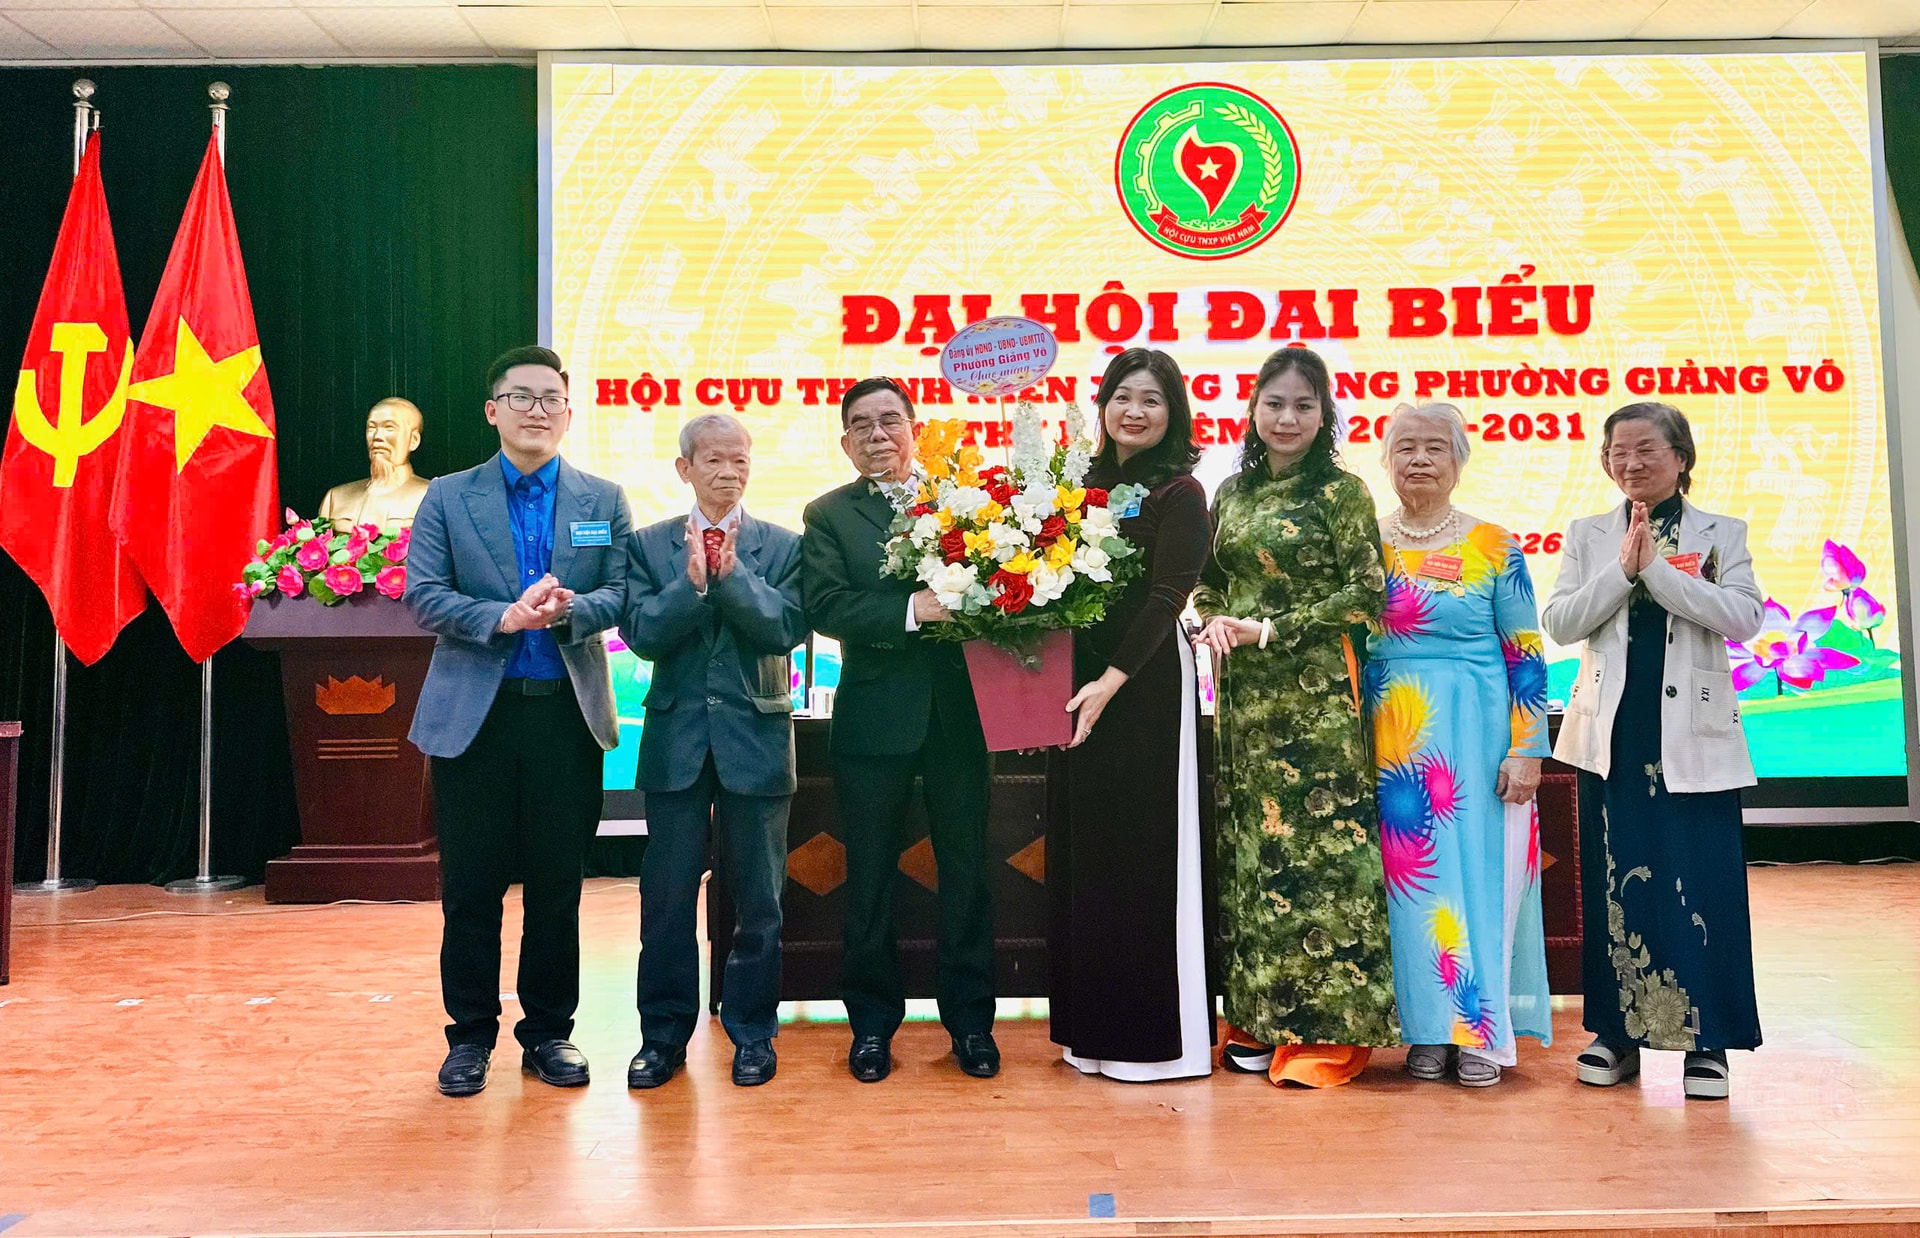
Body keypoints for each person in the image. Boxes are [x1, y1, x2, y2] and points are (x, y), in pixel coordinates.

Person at [406, 345, 631, 1098]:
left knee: (557, 888)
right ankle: (470, 1037)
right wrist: (503, 616)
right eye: (522, 397)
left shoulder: (603, 499)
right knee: (471, 889)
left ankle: (549, 1034)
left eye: (551, 399)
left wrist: (570, 610)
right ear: (492, 410)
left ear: (568, 412)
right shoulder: (448, 496)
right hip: (477, 721)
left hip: (566, 718)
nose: (538, 410)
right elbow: (424, 593)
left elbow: (622, 592)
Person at [1543, 401, 1764, 1100]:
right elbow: (1560, 622)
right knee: (1616, 884)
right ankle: (1616, 1036)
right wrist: (1621, 571)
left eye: (1646, 450)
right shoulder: (1587, 534)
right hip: (1613, 733)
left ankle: (1708, 1042)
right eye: (1618, 451)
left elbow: (1745, 617)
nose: (1630, 463)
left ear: (1681, 457)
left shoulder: (1721, 532)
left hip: (1691, 739)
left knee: (1700, 883)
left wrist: (1658, 573)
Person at [1194, 345, 1397, 1088]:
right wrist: (1211, 620)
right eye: (1274, 404)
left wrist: (1271, 629)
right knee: (1253, 856)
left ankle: (1323, 1033)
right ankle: (1257, 1018)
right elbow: (1207, 581)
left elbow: (1367, 594)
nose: (1287, 418)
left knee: (1319, 858)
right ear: (1253, 410)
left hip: (1317, 699)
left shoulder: (1341, 493)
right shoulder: (1230, 493)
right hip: (1245, 697)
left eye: (1303, 406)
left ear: (1324, 415)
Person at [801, 377, 999, 1083]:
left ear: (915, 428)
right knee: (869, 879)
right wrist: (913, 610)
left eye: (890, 420)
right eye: (861, 425)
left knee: (967, 873)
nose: (877, 434)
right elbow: (826, 604)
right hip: (874, 717)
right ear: (845, 441)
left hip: (961, 718)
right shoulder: (828, 514)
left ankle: (971, 1024)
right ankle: (871, 1027)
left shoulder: (969, 502)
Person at [1366, 402, 1553, 1088]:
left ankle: (1479, 1031)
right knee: (1411, 888)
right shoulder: (1366, 543)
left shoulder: (1494, 544)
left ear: (1459, 460)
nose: (1419, 459)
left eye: (1435, 447)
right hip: (1393, 736)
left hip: (1477, 735)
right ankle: (1425, 1029)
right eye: (1405, 447)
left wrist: (1528, 748)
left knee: (1477, 881)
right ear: (1386, 461)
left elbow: (1526, 650)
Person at [621, 413, 806, 1091]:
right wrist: (692, 585)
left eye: (740, 461)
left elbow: (784, 627)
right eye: (713, 461)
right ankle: (662, 1037)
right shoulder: (647, 546)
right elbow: (642, 633)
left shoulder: (783, 546)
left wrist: (730, 578)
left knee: (760, 900)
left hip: (757, 738)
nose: (728, 473)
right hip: (676, 741)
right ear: (684, 469)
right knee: (666, 898)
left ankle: (753, 1033)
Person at [1048, 349, 1212, 1082]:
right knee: (1087, 856)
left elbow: (1167, 598)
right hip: (1074, 682)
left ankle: (1152, 1045)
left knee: (1143, 854)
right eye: (1122, 396)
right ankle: (1089, 1034)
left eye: (1152, 399)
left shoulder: (1182, 492)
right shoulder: (1075, 485)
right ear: (1104, 405)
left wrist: (1110, 683)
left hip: (1142, 684)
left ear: (1173, 412)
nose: (1135, 411)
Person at [318, 396, 432, 528]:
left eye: (389, 428)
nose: (377, 436)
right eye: (371, 428)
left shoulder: (430, 496)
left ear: (414, 440)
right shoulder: (336, 498)